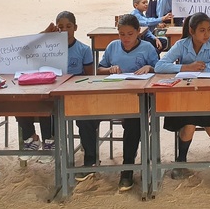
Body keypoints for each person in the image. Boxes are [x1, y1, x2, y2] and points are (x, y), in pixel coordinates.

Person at [155, 12, 210, 179]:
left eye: (209, 30)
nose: (206, 34)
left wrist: (202, 68)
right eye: (202, 30)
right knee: (189, 123)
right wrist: (185, 67)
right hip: (185, 96)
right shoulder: (181, 45)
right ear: (191, 31)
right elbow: (160, 66)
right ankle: (181, 159)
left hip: (208, 95)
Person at [97, 14, 158, 191]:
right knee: (86, 115)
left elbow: (161, 69)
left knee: (133, 122)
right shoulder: (112, 47)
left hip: (139, 97)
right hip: (115, 95)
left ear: (138, 32)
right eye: (121, 34)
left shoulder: (147, 48)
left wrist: (150, 67)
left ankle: (128, 167)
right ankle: (90, 161)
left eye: (130, 34)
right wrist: (109, 69)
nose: (125, 38)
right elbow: (99, 69)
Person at [43, 11, 97, 181]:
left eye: (69, 27)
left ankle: (90, 160)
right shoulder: (48, 48)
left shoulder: (83, 49)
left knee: (85, 120)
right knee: (46, 114)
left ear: (75, 27)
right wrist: (44, 35)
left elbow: (89, 77)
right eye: (60, 27)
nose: (65, 30)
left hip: (76, 94)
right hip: (53, 93)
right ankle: (53, 151)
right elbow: (27, 51)